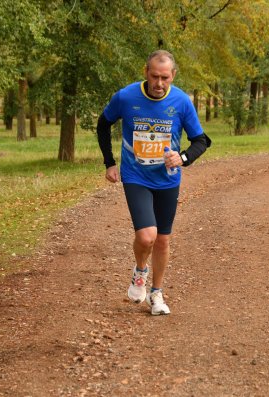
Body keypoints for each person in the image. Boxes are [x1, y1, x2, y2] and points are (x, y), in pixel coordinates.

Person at [96, 50, 211, 315]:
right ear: (146, 72)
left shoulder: (181, 101)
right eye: (155, 76)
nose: (159, 83)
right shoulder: (126, 97)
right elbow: (103, 125)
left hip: (167, 180)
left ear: (173, 76)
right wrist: (109, 162)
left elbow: (201, 141)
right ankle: (140, 271)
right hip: (135, 176)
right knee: (146, 236)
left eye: (165, 78)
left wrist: (181, 158)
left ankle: (156, 294)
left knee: (162, 241)